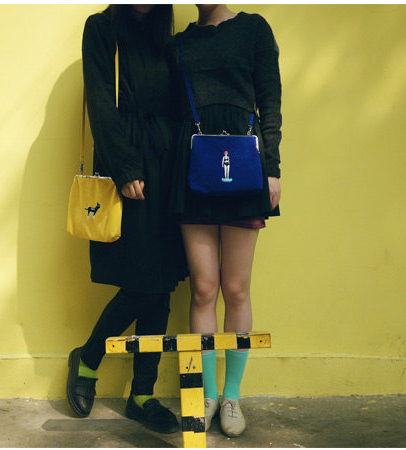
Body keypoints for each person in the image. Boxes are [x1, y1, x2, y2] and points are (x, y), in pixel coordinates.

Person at [66, 4, 188, 434]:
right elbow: (101, 102)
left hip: (168, 166)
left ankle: (142, 394)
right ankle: (88, 358)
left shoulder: (164, 35)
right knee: (143, 281)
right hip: (131, 166)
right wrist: (125, 167)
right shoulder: (101, 28)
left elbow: (175, 105)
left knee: (163, 282)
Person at [167, 4, 282, 437]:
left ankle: (232, 395)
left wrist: (273, 168)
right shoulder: (180, 44)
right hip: (193, 168)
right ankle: (207, 394)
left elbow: (270, 101)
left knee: (236, 288)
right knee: (203, 288)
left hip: (244, 167)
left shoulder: (254, 29)